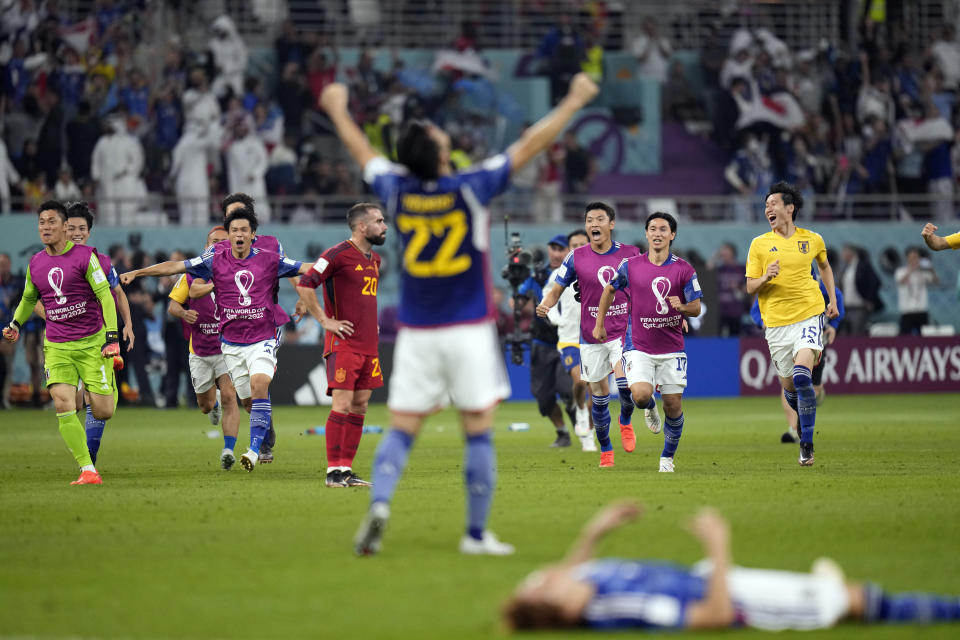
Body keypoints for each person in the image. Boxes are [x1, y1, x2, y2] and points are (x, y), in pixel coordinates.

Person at [319, 71, 600, 556]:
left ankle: (381, 505)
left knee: (403, 427)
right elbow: (531, 143)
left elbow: (361, 150)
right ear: (441, 151)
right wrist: (573, 99)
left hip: (418, 333)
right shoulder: (471, 186)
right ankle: (475, 535)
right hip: (468, 329)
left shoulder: (398, 189)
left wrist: (338, 108)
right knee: (477, 432)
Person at [502, 500, 960, 631]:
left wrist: (595, 532)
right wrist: (719, 545)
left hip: (713, 577)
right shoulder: (624, 607)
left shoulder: (579, 587)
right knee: (863, 601)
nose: (550, 574)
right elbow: (714, 616)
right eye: (545, 583)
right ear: (559, 605)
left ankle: (827, 588)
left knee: (849, 594)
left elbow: (571, 570)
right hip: (742, 602)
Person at [119, 205, 314, 471]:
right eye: (234, 230)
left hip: (263, 338)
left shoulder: (269, 258)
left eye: (244, 229)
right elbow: (175, 267)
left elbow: (305, 268)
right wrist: (139, 273)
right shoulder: (214, 261)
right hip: (231, 345)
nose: (239, 235)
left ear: (252, 233)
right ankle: (260, 434)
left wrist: (337, 264)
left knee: (259, 385)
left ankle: (255, 450)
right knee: (245, 401)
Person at [3, 201, 121, 484]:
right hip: (56, 345)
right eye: (42, 222)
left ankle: (106, 380)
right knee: (62, 403)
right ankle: (88, 470)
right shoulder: (36, 262)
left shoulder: (85, 257)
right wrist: (15, 323)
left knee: (103, 410)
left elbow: (105, 295)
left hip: (92, 343)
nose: (45, 227)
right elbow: (30, 298)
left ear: (65, 227)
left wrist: (112, 336)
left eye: (51, 222)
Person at [593, 212, 702, 472]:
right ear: (646, 234)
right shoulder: (630, 265)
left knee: (673, 405)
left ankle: (667, 458)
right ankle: (649, 407)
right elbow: (609, 290)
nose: (657, 233)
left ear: (672, 235)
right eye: (652, 228)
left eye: (663, 229)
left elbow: (697, 308)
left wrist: (683, 307)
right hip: (638, 345)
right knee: (640, 396)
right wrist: (600, 323)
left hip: (672, 347)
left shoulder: (684, 269)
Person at [536, 202, 639, 469]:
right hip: (590, 336)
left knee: (626, 384)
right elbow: (557, 287)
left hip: (622, 331)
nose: (594, 224)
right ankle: (606, 449)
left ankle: (625, 421)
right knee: (598, 395)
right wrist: (547, 303)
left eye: (599, 219)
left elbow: (645, 287)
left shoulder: (630, 254)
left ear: (611, 224)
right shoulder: (575, 257)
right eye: (589, 220)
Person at [745, 182, 839, 467]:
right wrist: (766, 277)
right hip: (775, 324)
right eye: (765, 205)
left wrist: (832, 299)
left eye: (772, 203)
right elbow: (750, 286)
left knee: (802, 377)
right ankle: (802, 425)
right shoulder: (759, 244)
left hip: (810, 314)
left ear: (790, 208)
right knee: (789, 386)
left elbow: (824, 266)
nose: (768, 209)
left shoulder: (812, 240)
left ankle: (807, 442)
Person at [296, 202, 387, 488]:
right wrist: (325, 321)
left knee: (360, 406)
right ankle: (332, 472)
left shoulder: (375, 260)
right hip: (343, 344)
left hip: (368, 345)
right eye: (379, 221)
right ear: (362, 226)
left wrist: (370, 322)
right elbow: (304, 284)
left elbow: (362, 298)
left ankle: (346, 469)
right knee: (343, 404)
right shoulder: (335, 254)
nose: (385, 227)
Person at [216, 193, 293, 463]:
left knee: (259, 382)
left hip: (266, 319)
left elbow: (291, 270)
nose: (235, 227)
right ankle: (264, 423)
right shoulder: (219, 251)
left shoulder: (271, 246)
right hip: (232, 329)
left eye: (240, 218)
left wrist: (305, 299)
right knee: (248, 399)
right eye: (230, 221)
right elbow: (191, 276)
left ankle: (261, 444)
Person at [60, 202, 134, 464]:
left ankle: (88, 459)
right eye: (71, 228)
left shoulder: (101, 261)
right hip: (64, 341)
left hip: (98, 337)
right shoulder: (50, 262)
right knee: (76, 403)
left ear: (89, 232)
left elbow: (117, 294)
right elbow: (34, 299)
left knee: (98, 403)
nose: (76, 233)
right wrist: (55, 317)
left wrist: (128, 324)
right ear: (62, 230)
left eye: (81, 228)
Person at [167, 226, 242, 469]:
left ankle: (228, 449)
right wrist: (184, 312)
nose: (219, 245)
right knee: (205, 405)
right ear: (206, 247)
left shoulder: (239, 271)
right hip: (199, 350)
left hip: (226, 347)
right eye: (214, 242)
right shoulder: (191, 274)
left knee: (231, 395)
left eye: (224, 241)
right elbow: (172, 307)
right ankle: (214, 404)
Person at [751, 269, 845, 443]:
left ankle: (816, 394)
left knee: (811, 387)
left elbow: (837, 297)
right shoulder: (777, 283)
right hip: (784, 336)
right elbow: (756, 309)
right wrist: (763, 322)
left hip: (812, 337)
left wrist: (834, 324)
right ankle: (794, 429)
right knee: (789, 384)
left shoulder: (816, 282)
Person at [518, 235, 578, 449]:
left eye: (560, 249)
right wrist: (520, 296)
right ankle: (562, 432)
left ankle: (581, 425)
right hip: (542, 342)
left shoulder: (576, 274)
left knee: (568, 390)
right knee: (543, 397)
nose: (555, 253)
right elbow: (518, 301)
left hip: (567, 340)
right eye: (552, 248)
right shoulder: (538, 276)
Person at [544, 230, 595, 451]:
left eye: (581, 244)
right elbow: (547, 296)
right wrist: (556, 319)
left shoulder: (598, 272)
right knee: (580, 382)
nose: (577, 248)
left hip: (595, 340)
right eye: (573, 245)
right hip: (569, 339)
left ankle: (589, 433)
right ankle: (580, 409)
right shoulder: (560, 274)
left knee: (597, 393)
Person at [895, 247, 940, 335]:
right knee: (904, 337)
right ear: (907, 259)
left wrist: (931, 269)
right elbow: (901, 281)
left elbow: (936, 281)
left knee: (923, 338)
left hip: (921, 310)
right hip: (907, 311)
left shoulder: (923, 273)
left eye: (916, 258)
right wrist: (912, 269)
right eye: (912, 258)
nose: (914, 260)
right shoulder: (900, 271)